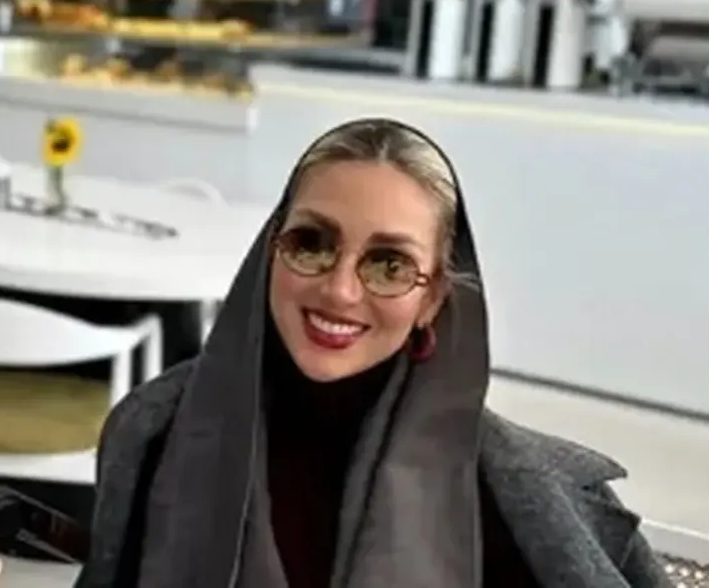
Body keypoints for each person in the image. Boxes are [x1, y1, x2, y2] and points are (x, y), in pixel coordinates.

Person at [74, 118, 671, 588]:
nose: (339, 290)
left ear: (432, 298)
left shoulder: (517, 496)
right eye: (311, 243)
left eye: (390, 264)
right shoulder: (152, 432)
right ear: (269, 254)